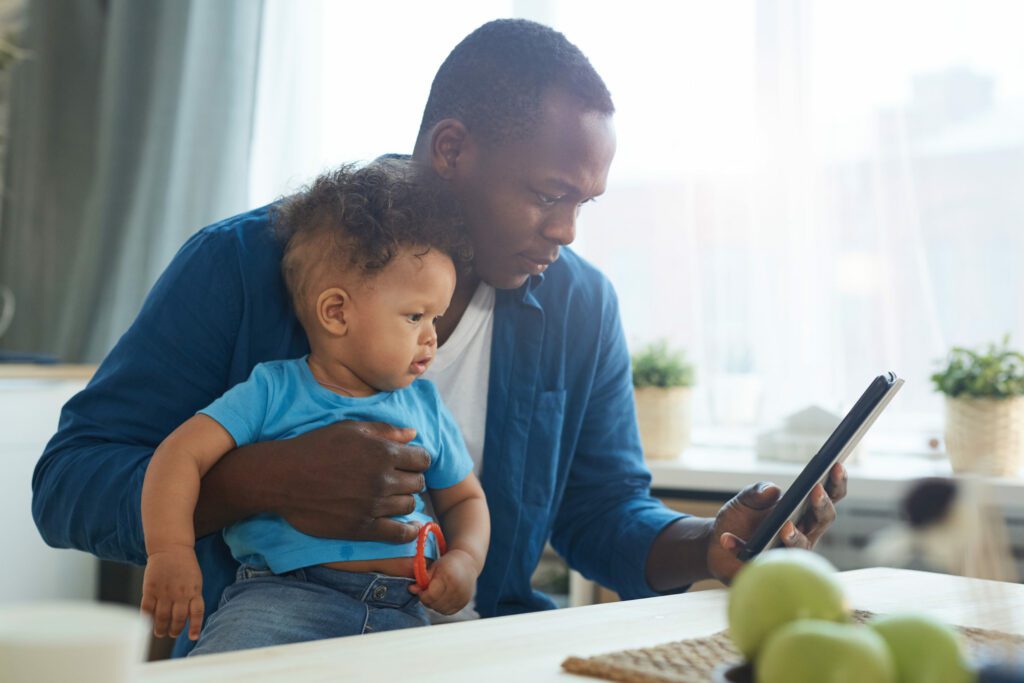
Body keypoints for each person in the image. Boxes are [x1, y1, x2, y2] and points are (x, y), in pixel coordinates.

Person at [32, 18, 847, 658]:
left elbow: (601, 511)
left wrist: (710, 542)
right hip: (272, 638)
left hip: (484, 645)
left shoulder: (579, 305)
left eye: (583, 204)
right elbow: (68, 481)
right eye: (547, 194)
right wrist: (263, 480)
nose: (565, 231)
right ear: (451, 149)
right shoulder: (247, 263)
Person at [139, 162, 489, 654]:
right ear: (336, 312)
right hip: (280, 599)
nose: (432, 336)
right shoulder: (271, 390)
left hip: (403, 611)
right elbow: (179, 456)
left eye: (436, 316)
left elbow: (465, 500)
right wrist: (170, 551)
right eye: (415, 316)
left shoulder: (424, 405)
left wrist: (466, 560)